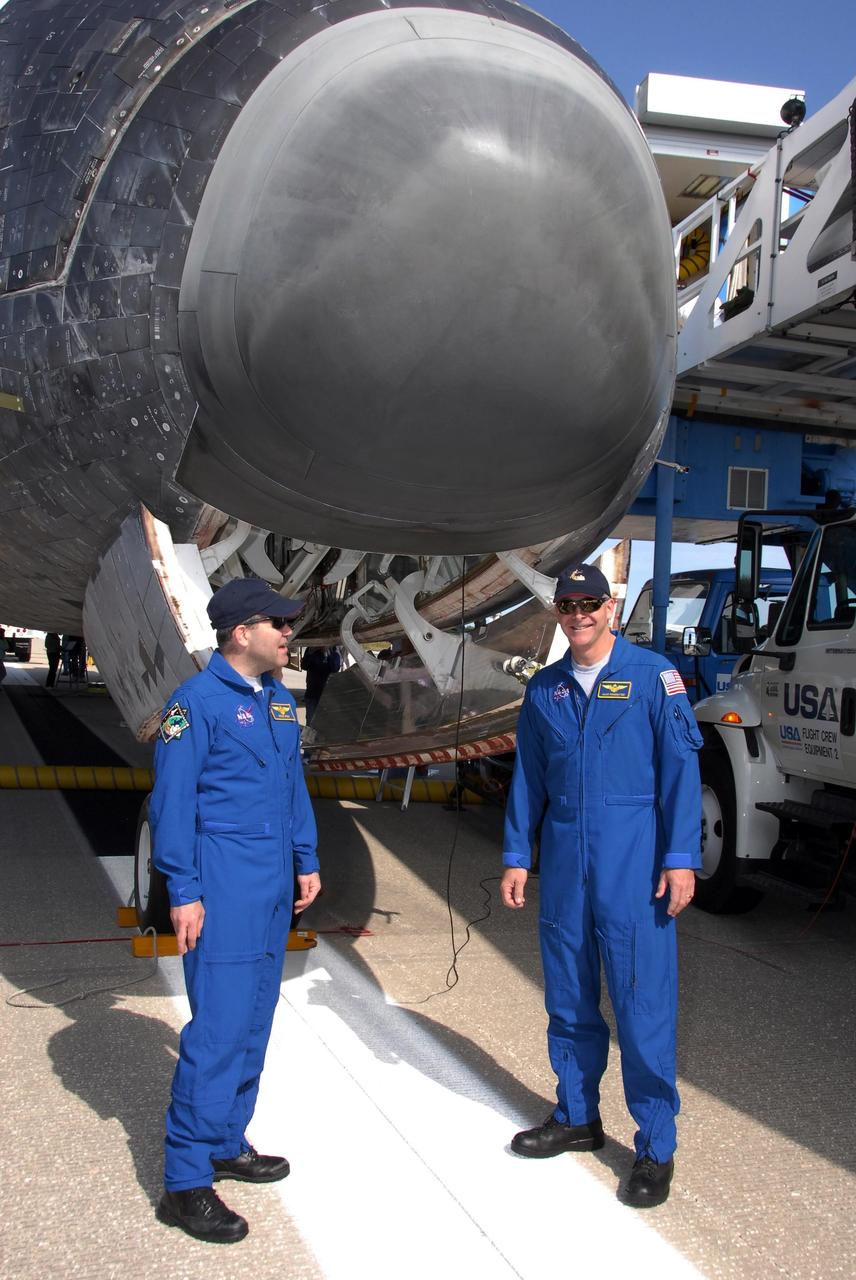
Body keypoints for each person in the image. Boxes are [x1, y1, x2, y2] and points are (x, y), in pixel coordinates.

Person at [501, 563, 702, 1207]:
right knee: (568, 1000)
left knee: (643, 1009)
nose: (579, 613)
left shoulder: (652, 678)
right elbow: (528, 782)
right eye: (568, 603)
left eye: (590, 601)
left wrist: (680, 858)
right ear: (558, 612)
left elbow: (679, 772)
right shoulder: (546, 691)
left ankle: (655, 1147)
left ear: (610, 607)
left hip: (635, 872)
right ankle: (578, 1117)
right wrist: (514, 855)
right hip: (564, 872)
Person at [150, 577, 321, 1244]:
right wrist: (183, 891)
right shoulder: (193, 704)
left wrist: (305, 857)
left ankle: (226, 1138)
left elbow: (292, 786)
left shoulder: (278, 701)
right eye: (277, 623)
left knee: (253, 1022)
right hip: (221, 882)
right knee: (217, 1031)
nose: (288, 633)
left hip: (272, 880)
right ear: (240, 632)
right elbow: (172, 806)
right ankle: (185, 1179)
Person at [300, 645, 341, 724]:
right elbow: (304, 666)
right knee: (310, 721)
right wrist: (311, 652)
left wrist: (327, 653)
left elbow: (335, 668)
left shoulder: (334, 651)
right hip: (311, 694)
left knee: (325, 723)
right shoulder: (311, 650)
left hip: (327, 695)